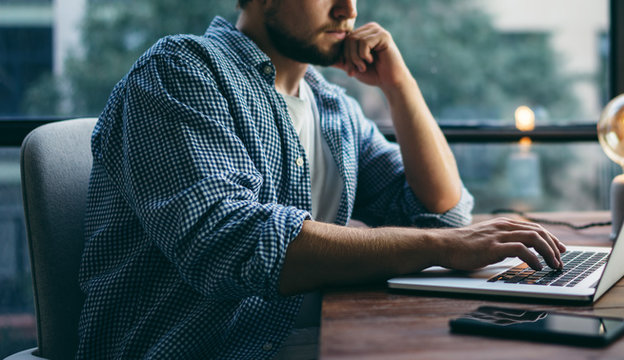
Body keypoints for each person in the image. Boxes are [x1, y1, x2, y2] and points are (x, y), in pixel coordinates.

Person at [77, 0, 565, 358]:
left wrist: (400, 85)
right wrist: (442, 246)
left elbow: (441, 211)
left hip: (301, 341)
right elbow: (236, 243)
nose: (347, 9)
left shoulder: (333, 108)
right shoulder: (182, 71)